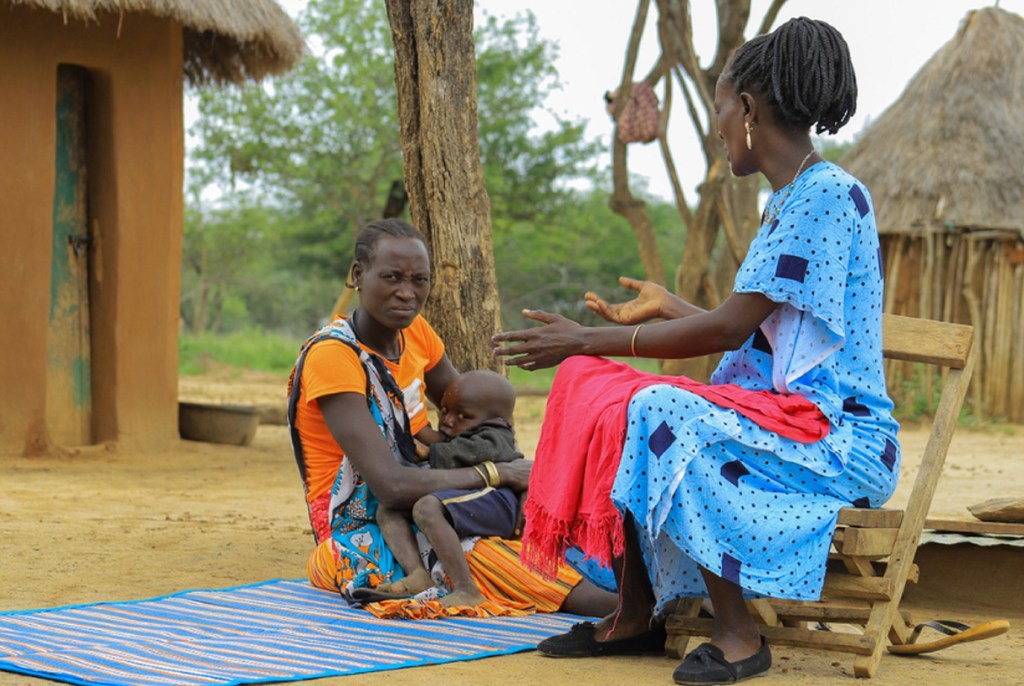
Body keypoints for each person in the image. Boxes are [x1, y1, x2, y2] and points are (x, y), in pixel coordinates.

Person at [493, 17, 898, 685]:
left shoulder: (826, 197)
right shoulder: (795, 198)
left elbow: (727, 331)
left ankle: (739, 637)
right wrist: (657, 308)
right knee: (599, 386)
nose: (714, 123)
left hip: (838, 438)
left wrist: (582, 337)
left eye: (717, 105)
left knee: (658, 405)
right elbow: (759, 334)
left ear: (747, 108)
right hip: (784, 416)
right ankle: (635, 613)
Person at [286, 217, 616, 620]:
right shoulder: (332, 357)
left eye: (419, 280)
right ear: (357, 275)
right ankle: (644, 613)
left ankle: (668, 597)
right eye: (391, 277)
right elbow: (389, 486)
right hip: (364, 528)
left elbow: (475, 419)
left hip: (430, 503)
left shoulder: (416, 333)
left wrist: (519, 487)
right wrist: (498, 475)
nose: (407, 293)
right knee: (498, 562)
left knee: (557, 534)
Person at [373, 370, 526, 608]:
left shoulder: (497, 436)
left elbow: (482, 452)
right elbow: (434, 437)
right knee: (388, 509)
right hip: (469, 497)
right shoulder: (459, 433)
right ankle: (417, 574)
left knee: (427, 508)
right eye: (444, 411)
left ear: (496, 420)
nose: (448, 420)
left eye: (463, 416)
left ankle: (467, 590)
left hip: (499, 502)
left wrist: (430, 452)